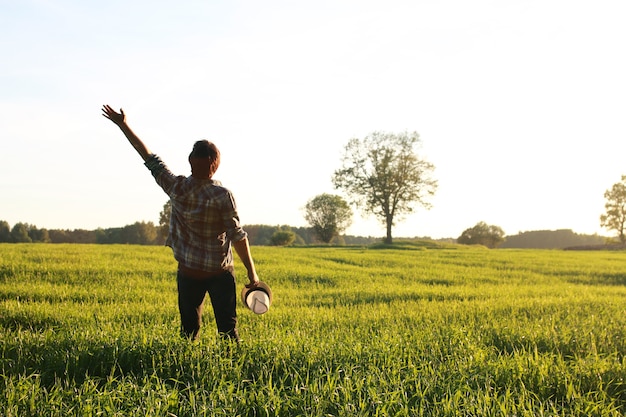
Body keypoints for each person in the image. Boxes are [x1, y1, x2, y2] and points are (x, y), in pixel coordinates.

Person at [101, 104, 259, 342]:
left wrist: (124, 125)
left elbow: (149, 158)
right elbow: (237, 235)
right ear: (215, 163)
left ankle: (184, 371)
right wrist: (252, 274)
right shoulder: (223, 195)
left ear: (189, 161)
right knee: (228, 330)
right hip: (220, 272)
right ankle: (233, 371)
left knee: (188, 331)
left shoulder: (177, 188)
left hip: (189, 272)